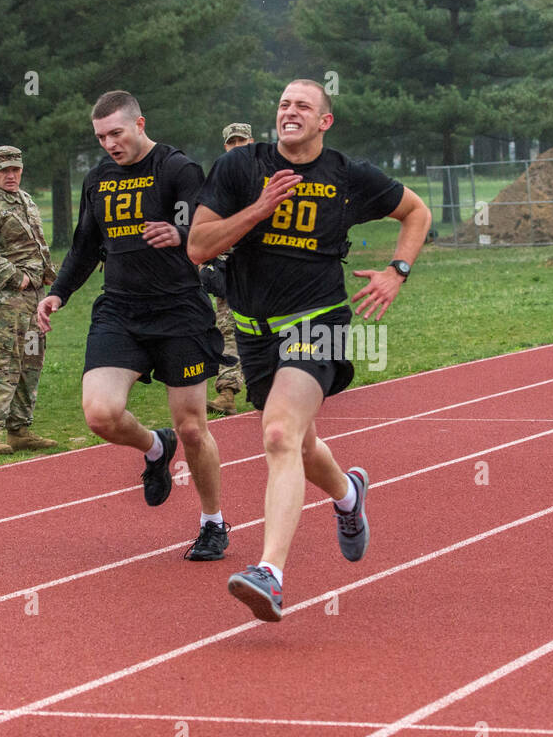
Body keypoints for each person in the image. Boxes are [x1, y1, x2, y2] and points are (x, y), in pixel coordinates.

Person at [189, 78, 431, 621]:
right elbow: (199, 247)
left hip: (319, 322)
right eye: (282, 104)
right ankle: (348, 495)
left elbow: (416, 212)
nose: (289, 112)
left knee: (277, 432)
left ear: (325, 121)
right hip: (253, 329)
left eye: (303, 105)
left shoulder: (347, 175)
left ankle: (269, 573)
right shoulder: (239, 168)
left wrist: (398, 271)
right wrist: (257, 209)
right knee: (298, 444)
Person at [37, 91, 231, 561]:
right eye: (100, 136)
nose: (108, 144)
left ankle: (213, 523)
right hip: (120, 310)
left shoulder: (177, 169)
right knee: (99, 414)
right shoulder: (99, 179)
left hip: (179, 311)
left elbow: (207, 229)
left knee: (192, 427)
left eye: (116, 133)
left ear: (139, 123)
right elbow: (85, 244)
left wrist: (180, 234)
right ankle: (153, 448)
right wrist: (58, 292)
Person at [0, 145, 58, 455]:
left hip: (32, 302)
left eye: (15, 169)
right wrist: (17, 278)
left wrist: (47, 274)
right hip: (4, 303)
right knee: (0, 362)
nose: (11, 175)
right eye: (4, 170)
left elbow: (38, 243)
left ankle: (19, 429)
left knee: (30, 361)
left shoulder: (25, 200)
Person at [203, 122, 252, 415]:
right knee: (228, 330)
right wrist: (211, 261)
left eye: (241, 141)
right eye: (232, 142)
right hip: (230, 271)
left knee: (275, 329)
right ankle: (228, 392)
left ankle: (277, 384)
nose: (237, 146)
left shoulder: (266, 176)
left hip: (267, 270)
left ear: (251, 142)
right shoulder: (218, 181)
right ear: (225, 146)